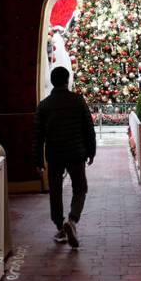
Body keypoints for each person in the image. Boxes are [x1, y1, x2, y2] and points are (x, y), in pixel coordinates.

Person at [32, 66, 96, 249]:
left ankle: (60, 226)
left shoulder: (44, 106)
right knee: (80, 188)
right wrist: (91, 151)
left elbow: (37, 136)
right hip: (76, 153)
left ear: (52, 82)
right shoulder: (78, 100)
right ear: (67, 80)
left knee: (56, 191)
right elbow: (88, 128)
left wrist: (38, 160)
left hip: (54, 155)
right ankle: (73, 220)